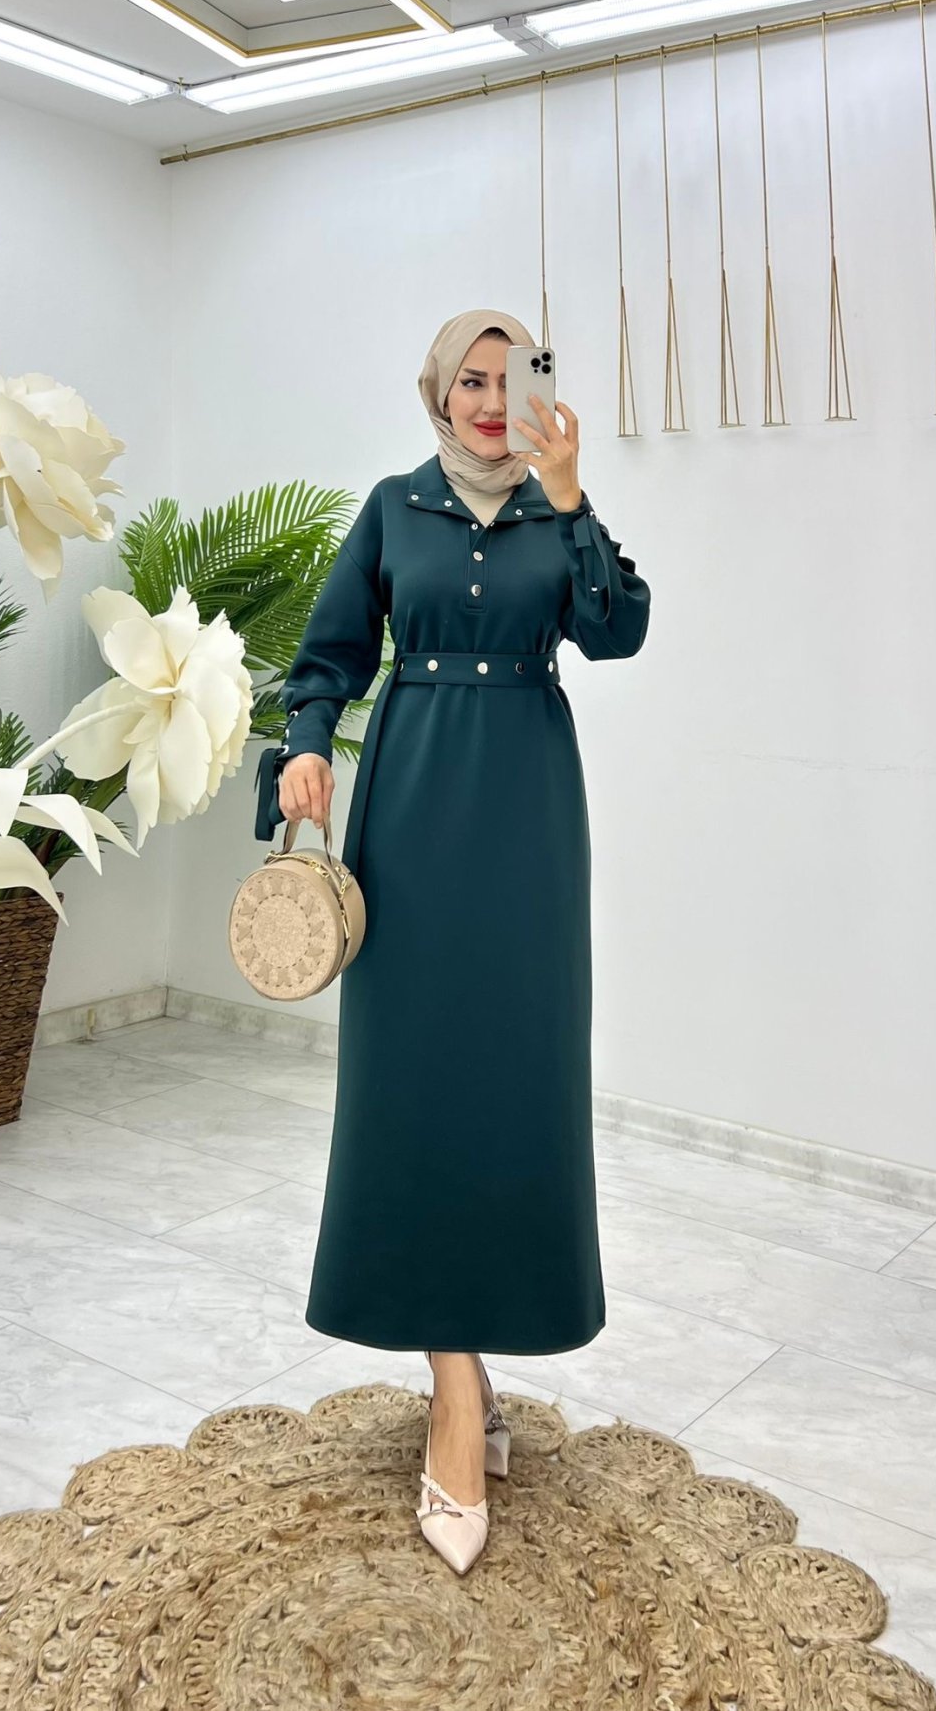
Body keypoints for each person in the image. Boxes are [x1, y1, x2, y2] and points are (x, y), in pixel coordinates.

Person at [273, 308, 651, 1574]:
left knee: (514, 1078)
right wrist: (308, 747)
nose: (493, 400)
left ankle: (473, 1362)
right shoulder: (393, 507)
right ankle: (451, 1386)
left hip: (529, 818)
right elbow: (327, 656)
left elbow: (616, 628)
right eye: (472, 380)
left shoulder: (556, 513)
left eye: (514, 377)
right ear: (438, 393)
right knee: (413, 1081)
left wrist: (573, 494)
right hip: (413, 806)